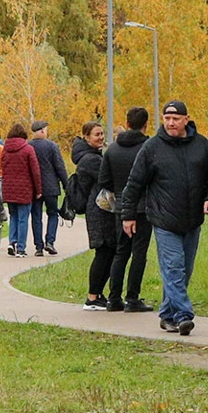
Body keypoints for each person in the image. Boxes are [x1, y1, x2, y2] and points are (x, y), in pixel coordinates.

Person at [118, 101, 208, 336]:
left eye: (176, 118)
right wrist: (128, 215)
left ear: (186, 119)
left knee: (183, 270)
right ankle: (184, 315)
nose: (171, 122)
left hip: (193, 219)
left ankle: (167, 315)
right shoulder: (152, 148)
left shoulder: (202, 146)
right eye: (167, 118)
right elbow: (134, 184)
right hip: (163, 219)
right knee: (173, 267)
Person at [98, 107, 155, 313]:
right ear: (145, 125)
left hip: (120, 209)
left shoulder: (112, 149)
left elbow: (103, 180)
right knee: (139, 253)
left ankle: (113, 298)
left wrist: (120, 192)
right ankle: (132, 298)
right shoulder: (149, 148)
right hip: (143, 207)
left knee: (121, 252)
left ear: (127, 123)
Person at [72, 121, 119, 307]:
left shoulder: (91, 156)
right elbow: (107, 179)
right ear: (86, 137)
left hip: (101, 209)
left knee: (108, 251)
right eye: (96, 134)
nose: (100, 137)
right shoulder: (90, 160)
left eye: (101, 134)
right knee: (104, 251)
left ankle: (97, 295)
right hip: (99, 211)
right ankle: (92, 297)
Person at [0, 123, 42, 258]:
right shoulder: (28, 149)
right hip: (25, 189)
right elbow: (35, 171)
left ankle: (12, 242)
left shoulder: (5, 150)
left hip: (9, 189)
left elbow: (3, 168)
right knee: (23, 219)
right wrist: (38, 190)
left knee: (14, 217)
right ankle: (21, 248)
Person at [30, 120, 69, 257]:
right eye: (45, 129)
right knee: (53, 214)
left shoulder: (28, 147)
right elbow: (60, 167)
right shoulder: (52, 146)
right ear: (41, 131)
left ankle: (38, 247)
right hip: (51, 186)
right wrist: (66, 185)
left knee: (36, 216)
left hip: (34, 188)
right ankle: (50, 242)